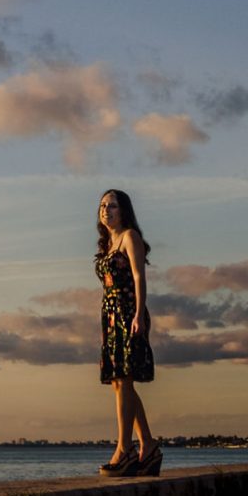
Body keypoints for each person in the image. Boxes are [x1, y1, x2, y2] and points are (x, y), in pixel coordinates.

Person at [95, 186, 160, 478]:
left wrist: (138, 315)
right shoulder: (108, 244)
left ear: (124, 211)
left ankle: (125, 449)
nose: (106, 210)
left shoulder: (129, 237)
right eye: (103, 206)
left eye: (113, 206)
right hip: (110, 317)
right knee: (120, 383)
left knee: (124, 379)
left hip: (127, 313)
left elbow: (138, 277)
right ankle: (148, 444)